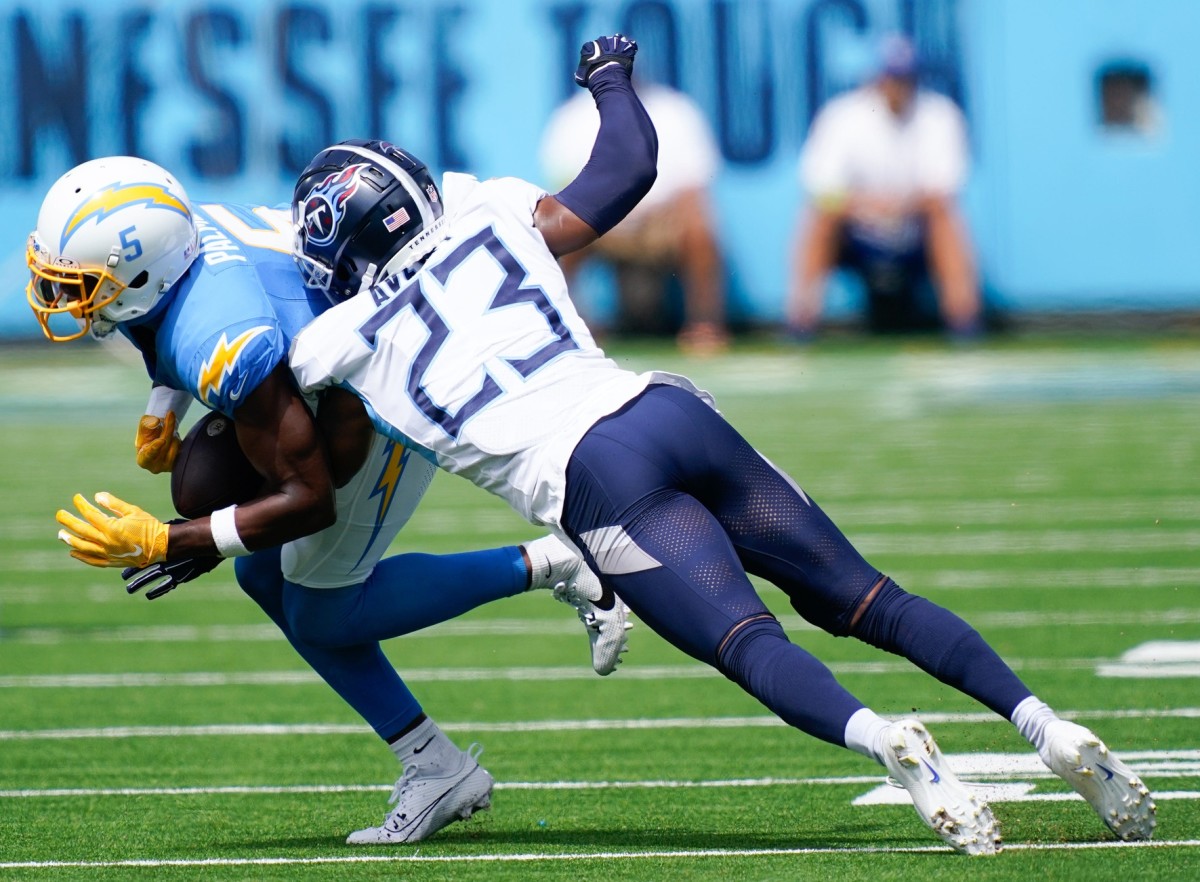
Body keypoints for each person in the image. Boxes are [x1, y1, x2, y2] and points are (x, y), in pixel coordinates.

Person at [283, 36, 1155, 853]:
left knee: (750, 641)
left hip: (594, 480)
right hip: (663, 410)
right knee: (869, 597)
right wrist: (610, 79)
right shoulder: (491, 210)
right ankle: (1045, 723)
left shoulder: (332, 344)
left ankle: (889, 740)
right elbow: (629, 166)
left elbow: (253, 395)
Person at [28, 154, 631, 846]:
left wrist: (177, 540)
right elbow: (159, 316)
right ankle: (432, 761)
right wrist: (165, 399)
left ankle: (554, 559)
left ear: (139, 273)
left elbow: (310, 498)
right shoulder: (185, 248)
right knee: (263, 572)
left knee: (322, 610)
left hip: (384, 385)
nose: (63, 298)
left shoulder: (222, 338)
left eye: (80, 285)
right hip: (334, 368)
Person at [787, 34, 983, 339]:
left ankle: (963, 322)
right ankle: (800, 323)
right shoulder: (843, 115)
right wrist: (868, 206)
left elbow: (942, 194)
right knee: (818, 218)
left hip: (913, 232)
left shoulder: (939, 115)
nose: (898, 87)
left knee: (947, 219)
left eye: (906, 79)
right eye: (892, 78)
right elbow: (821, 191)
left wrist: (898, 207)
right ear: (877, 78)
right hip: (858, 234)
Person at [539, 75, 729, 355]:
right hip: (600, 221)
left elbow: (692, 190)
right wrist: (606, 213)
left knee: (697, 225)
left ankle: (704, 326)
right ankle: (562, 326)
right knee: (556, 228)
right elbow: (566, 189)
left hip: (661, 221)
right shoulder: (573, 116)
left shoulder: (675, 110)